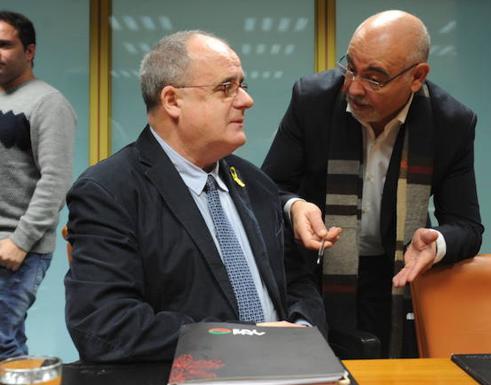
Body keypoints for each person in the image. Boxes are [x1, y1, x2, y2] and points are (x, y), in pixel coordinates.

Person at [64, 30, 326, 363]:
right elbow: (105, 325)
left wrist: (302, 330)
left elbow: (298, 283)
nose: (246, 101)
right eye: (226, 88)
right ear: (172, 100)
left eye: (242, 86)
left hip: (290, 368)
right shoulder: (110, 192)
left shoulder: (254, 181)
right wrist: (244, 342)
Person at [262, 10, 483, 357]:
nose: (354, 87)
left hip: (397, 275)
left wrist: (437, 241)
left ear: (417, 77)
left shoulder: (450, 122)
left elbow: (468, 227)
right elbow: (266, 190)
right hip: (314, 273)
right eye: (351, 67)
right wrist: (296, 207)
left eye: (374, 78)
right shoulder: (313, 100)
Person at [0, 10, 76, 360]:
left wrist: (20, 242)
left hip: (16, 249)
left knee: (3, 343)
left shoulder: (48, 103)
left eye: (4, 45)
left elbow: (56, 182)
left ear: (29, 51)